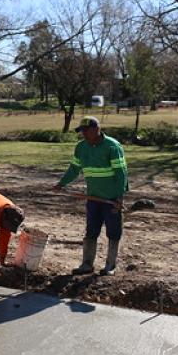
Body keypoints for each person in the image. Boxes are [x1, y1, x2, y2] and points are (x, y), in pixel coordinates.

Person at [53, 116, 128, 276]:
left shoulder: (112, 147)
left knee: (113, 233)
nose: (84, 134)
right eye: (82, 132)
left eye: (86, 131)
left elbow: (121, 174)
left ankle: (110, 265)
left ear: (96, 129)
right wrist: (62, 183)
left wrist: (119, 198)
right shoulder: (81, 147)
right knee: (91, 231)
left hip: (111, 199)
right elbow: (74, 168)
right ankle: (87, 264)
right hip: (93, 198)